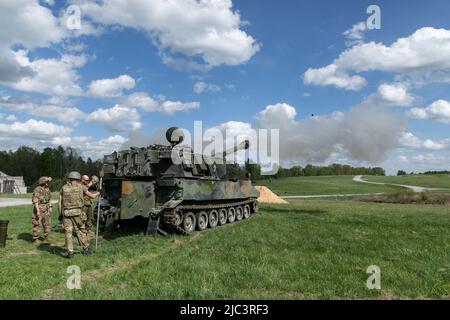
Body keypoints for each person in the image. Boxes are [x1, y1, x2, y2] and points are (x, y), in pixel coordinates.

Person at [58, 171, 98, 258]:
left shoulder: (63, 188)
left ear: (69, 178)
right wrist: (100, 192)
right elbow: (92, 196)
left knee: (68, 233)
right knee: (81, 231)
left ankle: (70, 253)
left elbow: (59, 202)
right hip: (78, 214)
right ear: (79, 179)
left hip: (66, 213)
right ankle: (85, 249)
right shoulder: (82, 187)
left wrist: (60, 214)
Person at [32, 176, 52, 243]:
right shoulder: (37, 189)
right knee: (37, 224)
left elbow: (50, 199)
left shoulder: (47, 189)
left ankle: (47, 238)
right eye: (47, 182)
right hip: (39, 208)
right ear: (43, 182)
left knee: (47, 224)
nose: (48, 183)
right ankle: (35, 238)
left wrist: (50, 207)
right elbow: (35, 201)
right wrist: (37, 211)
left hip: (46, 209)